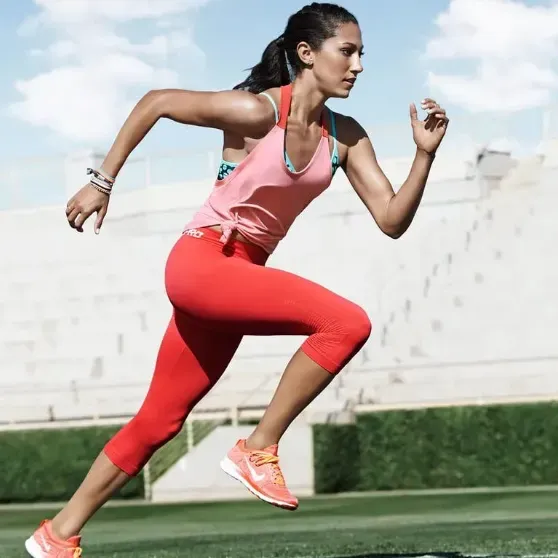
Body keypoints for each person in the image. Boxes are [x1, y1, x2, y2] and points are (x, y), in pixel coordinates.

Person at [25, 3, 449, 557]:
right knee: (347, 323)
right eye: (347, 51)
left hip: (240, 276)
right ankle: (259, 447)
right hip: (203, 263)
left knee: (159, 420)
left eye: (361, 53)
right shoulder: (256, 113)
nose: (359, 65)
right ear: (306, 53)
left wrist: (423, 155)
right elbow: (156, 103)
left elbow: (392, 219)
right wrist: (102, 182)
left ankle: (57, 535)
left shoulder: (344, 137)